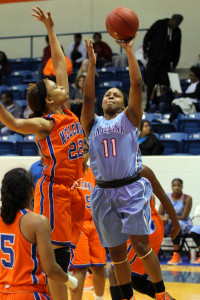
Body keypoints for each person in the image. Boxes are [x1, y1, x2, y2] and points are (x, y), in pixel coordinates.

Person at [81, 37, 179, 300]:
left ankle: (159, 293)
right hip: (102, 193)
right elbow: (87, 97)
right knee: (116, 256)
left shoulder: (130, 119)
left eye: (116, 95)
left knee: (140, 244)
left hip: (129, 187)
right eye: (107, 95)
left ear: (125, 105)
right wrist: (91, 65)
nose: (110, 96)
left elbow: (136, 83)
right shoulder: (92, 125)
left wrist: (127, 50)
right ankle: (127, 297)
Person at [0, 7, 85, 300]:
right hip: (54, 192)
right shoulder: (45, 124)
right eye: (55, 85)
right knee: (58, 261)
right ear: (50, 99)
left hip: (74, 191)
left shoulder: (66, 111)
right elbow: (12, 123)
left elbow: (60, 62)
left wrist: (51, 28)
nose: (62, 84)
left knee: (68, 256)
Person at [0, 168, 78, 299]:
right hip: (28, 293)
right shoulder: (37, 222)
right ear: (31, 191)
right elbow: (51, 269)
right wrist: (71, 281)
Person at [108, 164, 179, 300]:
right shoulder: (112, 170)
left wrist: (175, 223)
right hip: (137, 224)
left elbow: (163, 196)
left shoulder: (141, 169)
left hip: (146, 224)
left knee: (115, 273)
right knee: (136, 280)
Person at [70, 138, 106, 300]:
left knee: (99, 267)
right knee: (80, 268)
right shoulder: (69, 173)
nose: (82, 155)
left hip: (96, 225)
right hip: (77, 225)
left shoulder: (95, 173)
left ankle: (100, 298)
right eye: (79, 151)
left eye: (85, 151)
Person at [143, 14, 183, 112]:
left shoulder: (177, 32)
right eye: (175, 23)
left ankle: (163, 106)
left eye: (178, 25)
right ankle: (149, 106)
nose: (175, 26)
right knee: (151, 86)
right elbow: (148, 36)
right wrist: (145, 50)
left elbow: (177, 49)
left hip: (165, 64)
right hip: (153, 61)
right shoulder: (160, 24)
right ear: (172, 20)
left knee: (165, 87)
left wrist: (174, 65)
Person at [159, 178, 193, 265]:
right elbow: (160, 214)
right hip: (168, 222)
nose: (176, 187)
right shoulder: (165, 197)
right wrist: (163, 218)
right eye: (174, 185)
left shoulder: (187, 198)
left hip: (183, 222)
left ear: (182, 186)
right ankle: (153, 252)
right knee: (155, 224)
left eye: (178, 185)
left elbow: (183, 216)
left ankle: (176, 254)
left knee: (174, 224)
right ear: (171, 187)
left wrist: (168, 217)